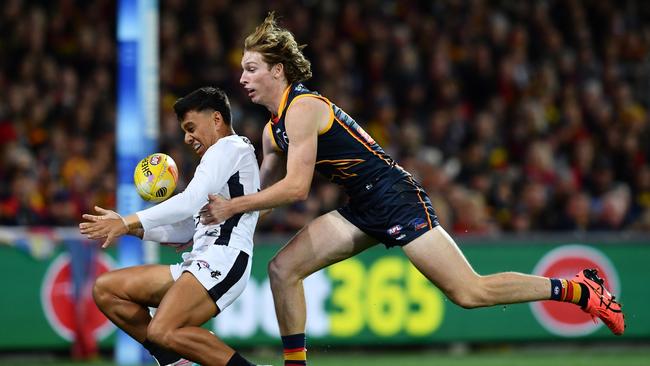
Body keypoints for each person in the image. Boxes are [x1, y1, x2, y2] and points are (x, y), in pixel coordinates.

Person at [200, 13, 625, 366]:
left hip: (394, 196)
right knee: (282, 270)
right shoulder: (272, 132)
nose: (242, 78)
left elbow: (294, 190)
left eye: (251, 68)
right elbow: (262, 198)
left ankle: (579, 290)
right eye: (241, 69)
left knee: (469, 292)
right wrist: (216, 222)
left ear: (278, 71)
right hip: (362, 205)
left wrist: (233, 206)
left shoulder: (303, 108)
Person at [79, 87, 261, 366]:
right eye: (184, 131)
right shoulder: (220, 162)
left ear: (216, 119)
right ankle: (177, 362)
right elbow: (189, 228)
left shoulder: (230, 147)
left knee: (162, 330)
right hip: (200, 260)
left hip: (224, 258)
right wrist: (127, 228)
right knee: (107, 289)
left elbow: (188, 203)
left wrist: (128, 220)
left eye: (191, 128)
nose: (187, 138)